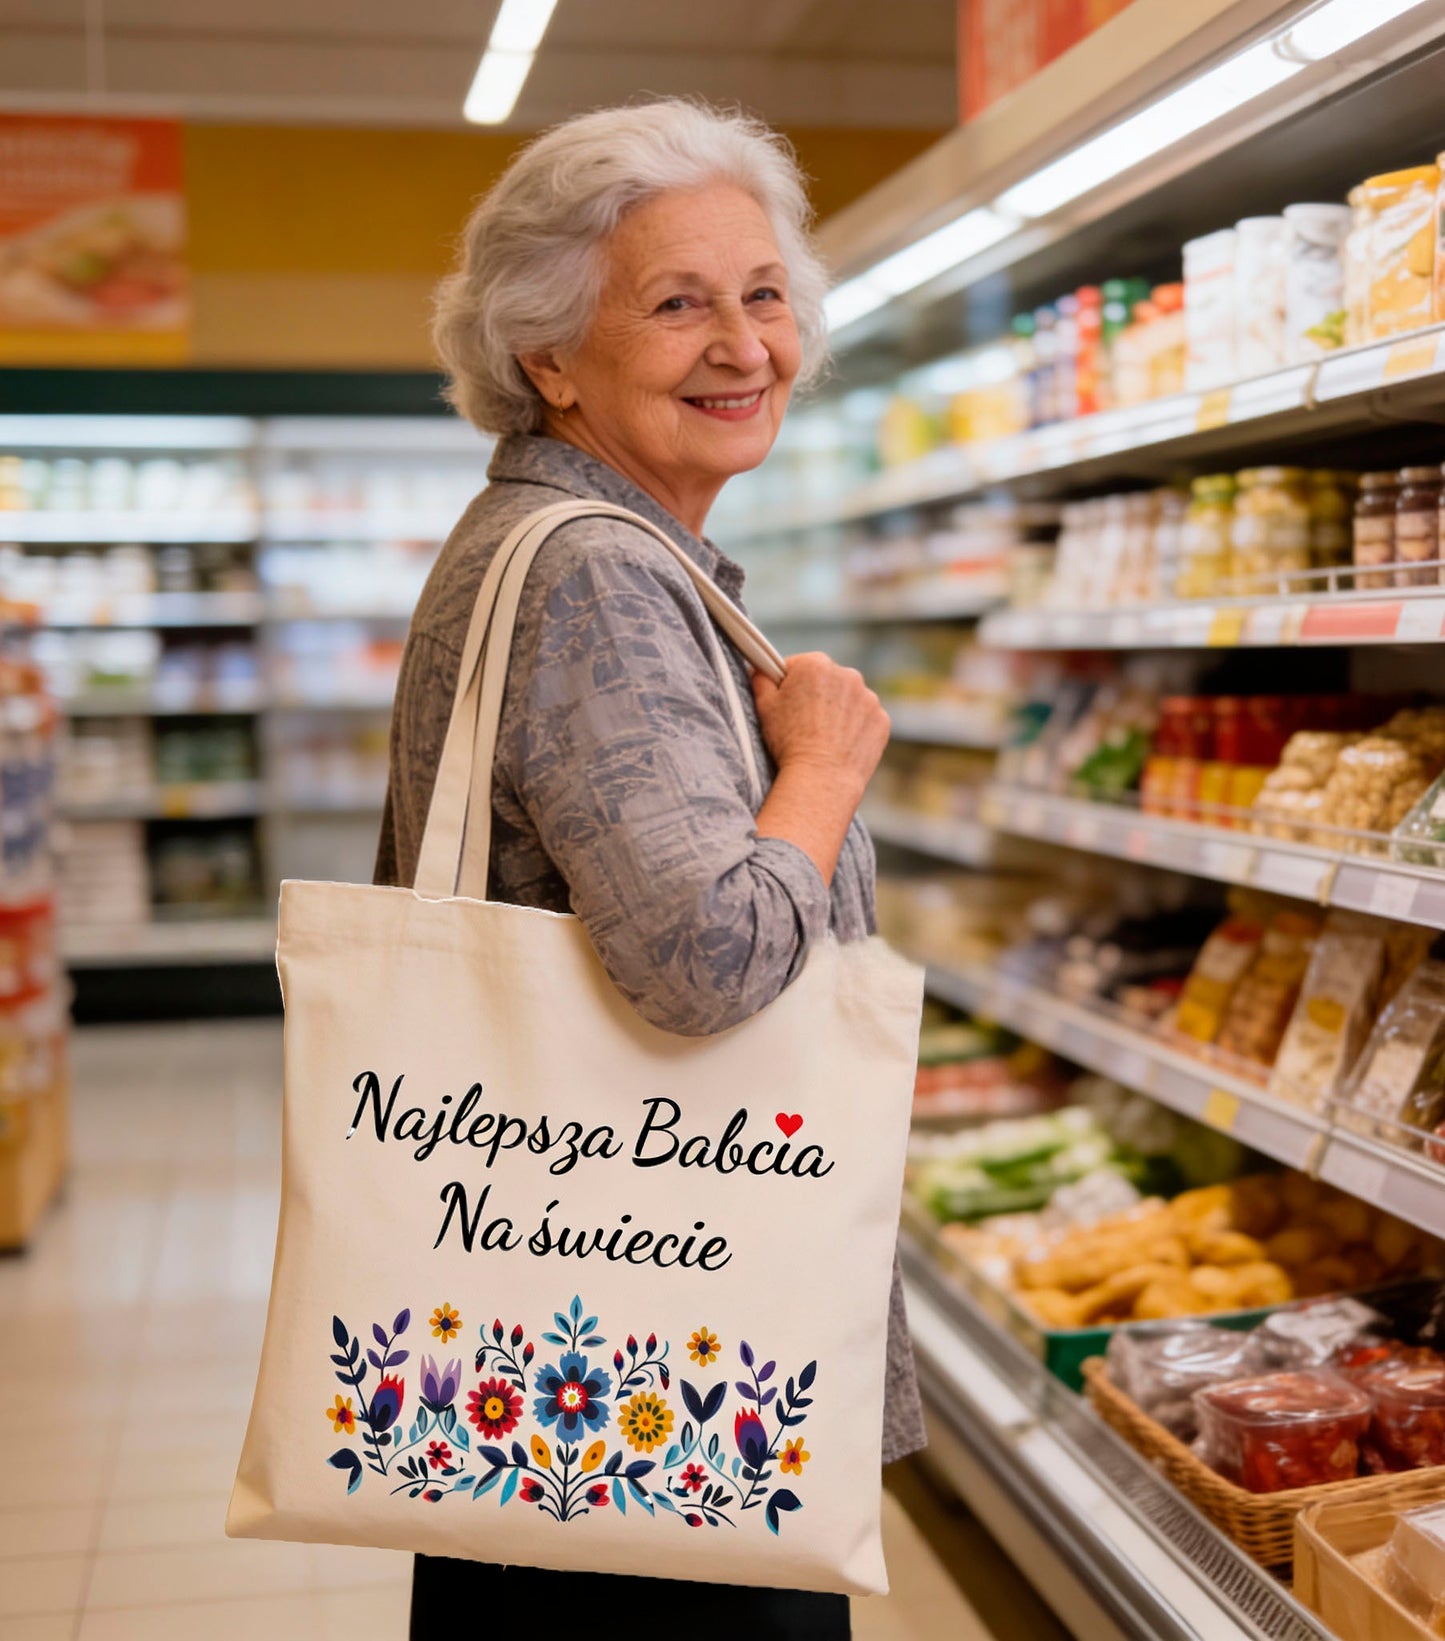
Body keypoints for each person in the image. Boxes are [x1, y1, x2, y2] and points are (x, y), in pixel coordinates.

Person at [374, 96, 924, 1641]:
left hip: (546, 1339)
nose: (743, 344)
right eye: (677, 302)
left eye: (762, 294)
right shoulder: (603, 573)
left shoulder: (563, 541)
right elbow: (703, 958)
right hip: (652, 1370)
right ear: (549, 358)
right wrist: (818, 764)